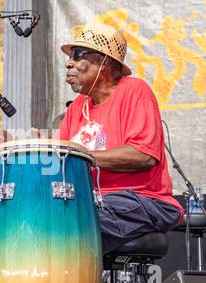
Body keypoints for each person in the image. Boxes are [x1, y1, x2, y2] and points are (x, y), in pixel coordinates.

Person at [57, 20, 183, 254]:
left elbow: (143, 155)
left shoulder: (134, 90)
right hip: (96, 200)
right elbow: (61, 160)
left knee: (67, 225)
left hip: (143, 199)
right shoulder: (76, 108)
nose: (68, 63)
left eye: (77, 54)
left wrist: (79, 155)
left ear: (104, 62)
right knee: (42, 216)